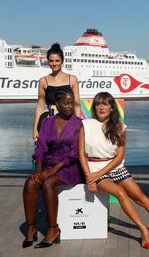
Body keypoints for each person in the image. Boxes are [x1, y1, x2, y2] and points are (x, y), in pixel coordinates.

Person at [78, 92, 149, 249]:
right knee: (120, 193)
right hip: (94, 168)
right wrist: (90, 177)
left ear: (112, 108)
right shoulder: (86, 125)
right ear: (94, 107)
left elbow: (118, 157)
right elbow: (81, 154)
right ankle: (143, 229)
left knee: (141, 197)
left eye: (106, 103)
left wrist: (96, 176)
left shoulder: (120, 127)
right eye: (98, 103)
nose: (102, 107)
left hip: (114, 167)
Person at [22, 90, 83, 248]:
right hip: (48, 164)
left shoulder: (78, 123)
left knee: (48, 183)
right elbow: (41, 148)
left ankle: (53, 229)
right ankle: (31, 228)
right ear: (57, 105)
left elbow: (74, 152)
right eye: (66, 103)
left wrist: (52, 170)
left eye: (72, 103)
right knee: (30, 183)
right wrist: (38, 169)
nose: (70, 106)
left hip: (69, 166)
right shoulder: (47, 123)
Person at [33, 43, 80, 142]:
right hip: (49, 119)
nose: (54, 64)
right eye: (51, 61)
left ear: (62, 61)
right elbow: (40, 106)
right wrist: (35, 129)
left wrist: (78, 125)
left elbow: (76, 105)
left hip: (68, 118)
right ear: (48, 62)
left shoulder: (72, 79)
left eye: (57, 61)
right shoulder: (43, 81)